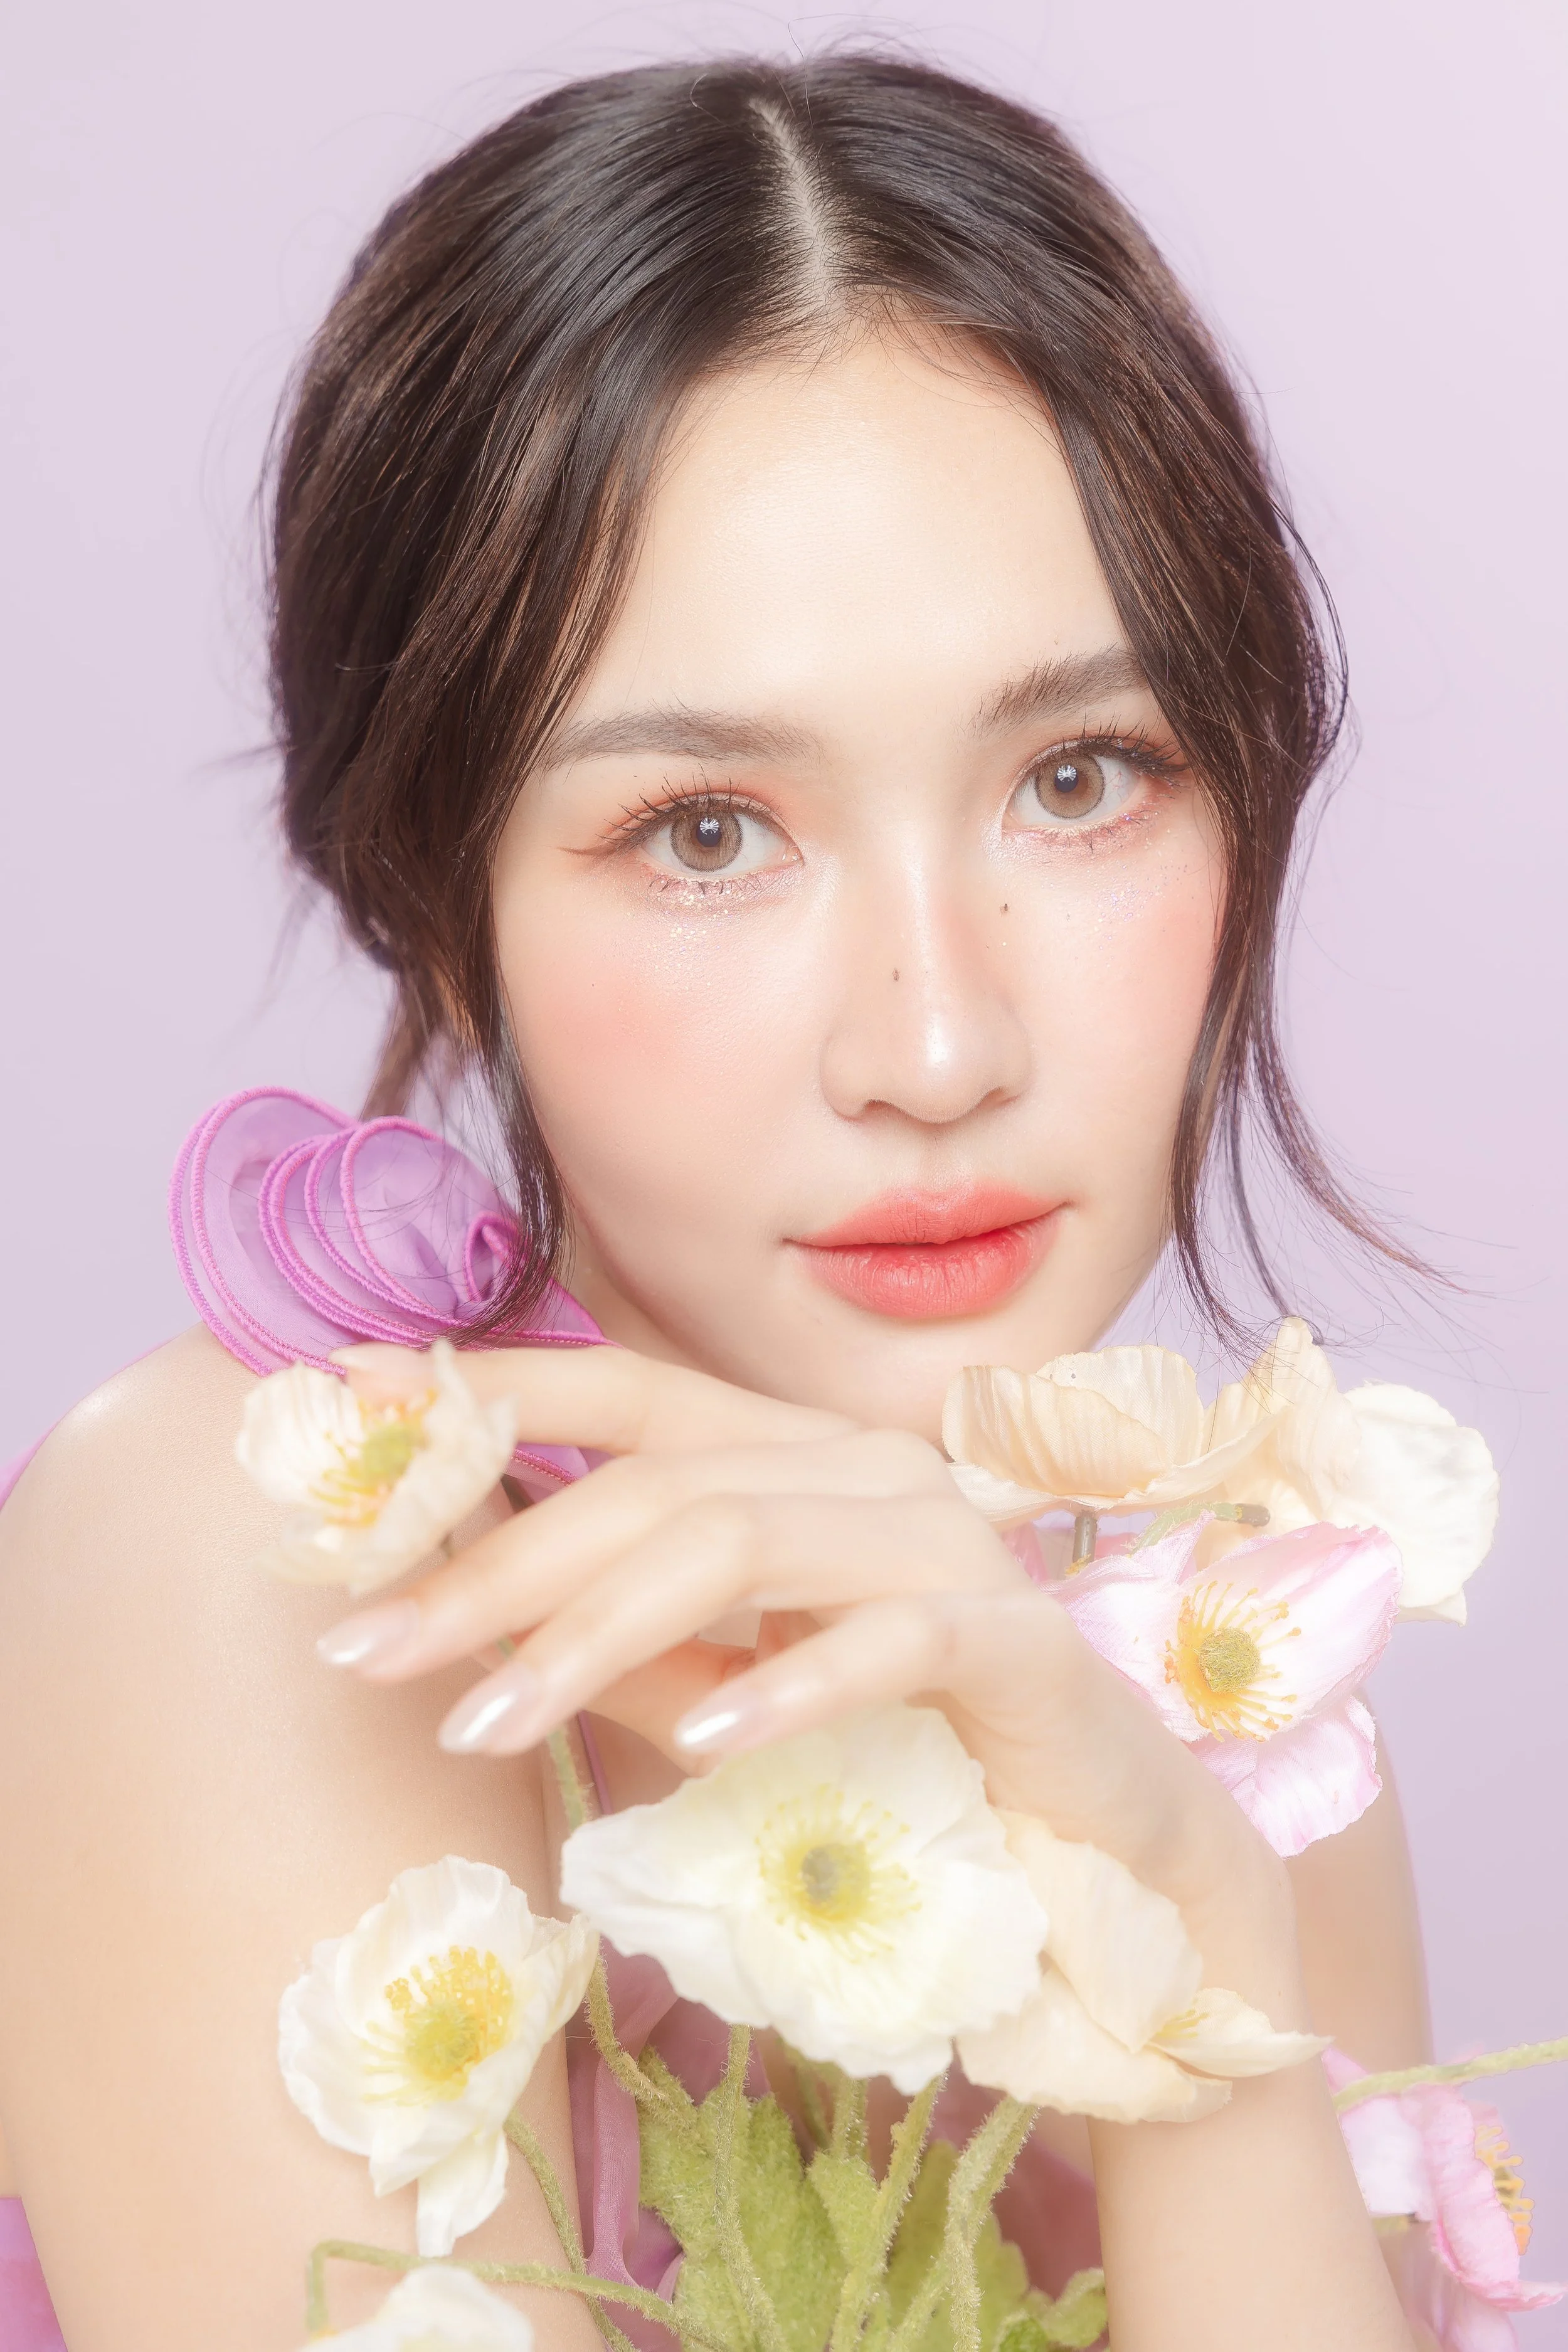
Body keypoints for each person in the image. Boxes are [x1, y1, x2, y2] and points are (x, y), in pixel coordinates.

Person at [0, 53, 1433, 2350]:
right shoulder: (264, 1562)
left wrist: (1179, 1932)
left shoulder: (1208, 1684)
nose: (938, 1045)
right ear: (441, 899)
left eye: (1082, 777)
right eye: (702, 831)